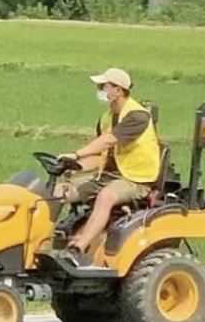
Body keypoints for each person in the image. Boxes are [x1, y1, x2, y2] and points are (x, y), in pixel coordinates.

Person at [53, 68, 161, 266]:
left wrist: (76, 154)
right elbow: (99, 156)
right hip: (108, 175)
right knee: (60, 191)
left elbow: (108, 141)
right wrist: (75, 166)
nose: (100, 89)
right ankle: (42, 242)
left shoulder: (137, 116)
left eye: (104, 86)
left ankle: (77, 249)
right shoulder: (106, 118)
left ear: (119, 90)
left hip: (136, 178)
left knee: (106, 196)